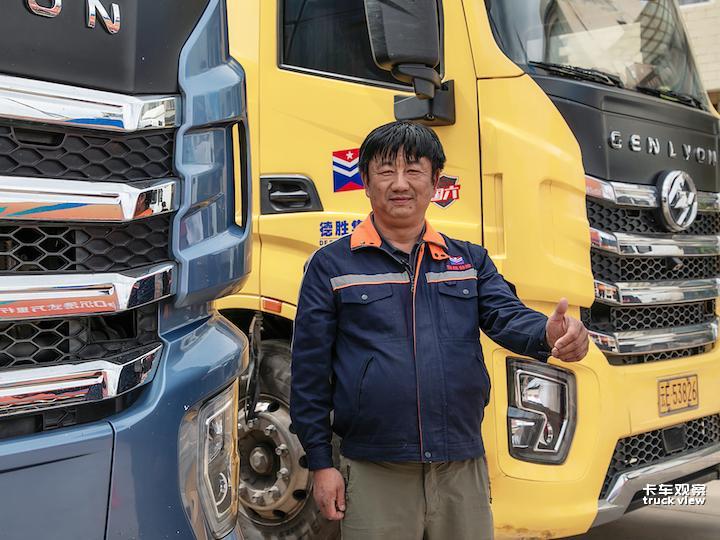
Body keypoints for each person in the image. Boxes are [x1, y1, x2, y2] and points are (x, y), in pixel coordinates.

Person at [290, 121, 589, 540]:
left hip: (460, 465)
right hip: (375, 468)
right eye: (385, 171)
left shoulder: (469, 261)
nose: (400, 183)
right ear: (366, 183)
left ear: (435, 182)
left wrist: (549, 333)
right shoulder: (331, 266)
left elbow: (507, 316)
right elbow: (308, 374)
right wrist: (322, 464)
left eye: (414, 170)